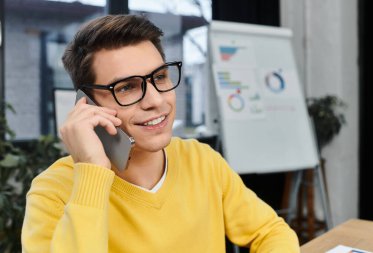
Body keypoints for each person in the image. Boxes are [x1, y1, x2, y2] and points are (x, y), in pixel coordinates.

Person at [21, 14, 299, 252]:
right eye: (127, 87)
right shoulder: (52, 193)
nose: (156, 99)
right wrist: (92, 172)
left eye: (160, 77)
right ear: (87, 105)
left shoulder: (201, 160)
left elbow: (271, 232)